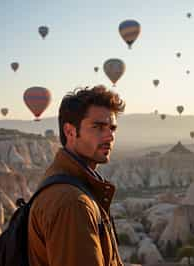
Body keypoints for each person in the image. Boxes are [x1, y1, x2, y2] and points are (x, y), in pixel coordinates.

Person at [28, 85, 126, 266]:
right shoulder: (72, 203)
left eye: (112, 128)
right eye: (98, 127)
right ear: (70, 132)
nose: (109, 136)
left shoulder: (68, 182)